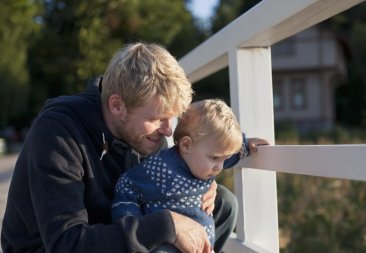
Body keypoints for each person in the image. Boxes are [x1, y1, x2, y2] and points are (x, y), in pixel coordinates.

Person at [0, 43, 250, 253]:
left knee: (224, 204)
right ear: (117, 105)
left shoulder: (145, 133)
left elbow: (175, 169)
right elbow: (67, 243)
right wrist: (166, 225)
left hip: (115, 227)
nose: (168, 131)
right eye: (158, 118)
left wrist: (203, 184)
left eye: (171, 118)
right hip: (59, 246)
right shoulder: (58, 133)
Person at [111, 99, 268, 252]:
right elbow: (128, 183)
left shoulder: (201, 157)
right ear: (186, 145)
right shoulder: (161, 167)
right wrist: (130, 220)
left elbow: (226, 155)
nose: (219, 167)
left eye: (224, 160)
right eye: (214, 158)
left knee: (230, 202)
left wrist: (246, 145)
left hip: (201, 244)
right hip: (168, 244)